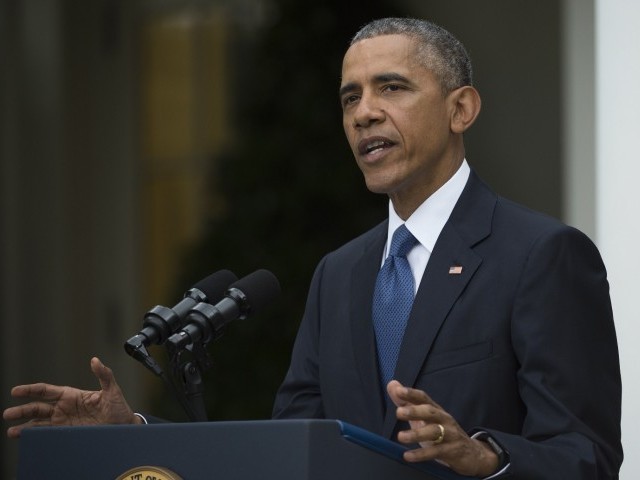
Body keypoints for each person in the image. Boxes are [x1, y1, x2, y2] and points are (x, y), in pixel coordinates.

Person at [3, 18, 622, 479]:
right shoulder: (341, 272)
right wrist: (133, 433)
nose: (364, 113)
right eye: (350, 97)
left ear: (461, 108)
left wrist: (484, 456)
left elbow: (587, 456)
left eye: (392, 88)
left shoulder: (543, 255)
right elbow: (288, 450)